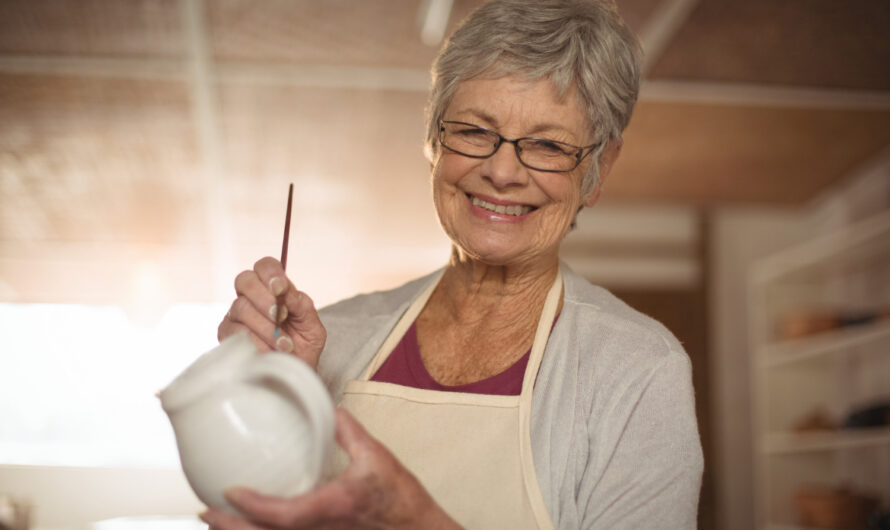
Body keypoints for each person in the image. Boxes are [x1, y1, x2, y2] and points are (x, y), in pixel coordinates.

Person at [203, 0, 704, 528]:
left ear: (599, 169)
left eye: (547, 144)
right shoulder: (332, 342)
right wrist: (265, 404)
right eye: (474, 131)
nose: (503, 170)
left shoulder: (637, 371)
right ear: (432, 137)